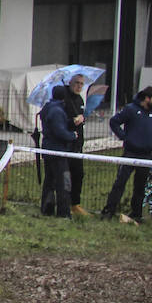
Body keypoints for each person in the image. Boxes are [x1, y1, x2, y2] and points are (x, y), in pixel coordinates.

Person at [101, 86, 152, 223]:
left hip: (146, 154)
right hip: (130, 153)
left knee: (140, 186)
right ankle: (109, 210)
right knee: (120, 183)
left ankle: (136, 213)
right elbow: (114, 121)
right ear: (146, 98)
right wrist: (124, 137)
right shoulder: (131, 109)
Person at [60, 72, 105, 216]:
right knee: (65, 176)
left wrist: (81, 120)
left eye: (81, 84)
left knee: (78, 174)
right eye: (77, 83)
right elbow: (59, 122)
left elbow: (81, 117)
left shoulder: (79, 100)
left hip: (78, 144)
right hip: (66, 144)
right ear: (70, 83)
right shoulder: (63, 99)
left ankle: (75, 204)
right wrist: (71, 122)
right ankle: (64, 203)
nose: (79, 86)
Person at [39, 84, 77, 219]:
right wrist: (73, 135)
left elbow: (57, 124)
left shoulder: (48, 108)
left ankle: (47, 208)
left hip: (48, 150)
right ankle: (63, 212)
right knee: (63, 182)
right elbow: (59, 131)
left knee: (49, 181)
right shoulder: (57, 111)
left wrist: (71, 122)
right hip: (58, 151)